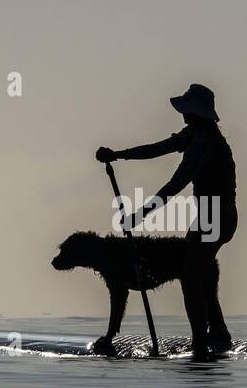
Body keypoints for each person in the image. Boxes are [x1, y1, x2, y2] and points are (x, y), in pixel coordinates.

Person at [96, 83, 238, 360]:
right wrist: (119, 154)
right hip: (217, 215)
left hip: (215, 215)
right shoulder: (195, 134)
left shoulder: (202, 144)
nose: (182, 114)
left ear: (194, 113)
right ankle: (218, 332)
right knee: (200, 275)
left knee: (191, 278)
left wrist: (140, 216)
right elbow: (158, 149)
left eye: (186, 109)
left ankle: (200, 343)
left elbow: (175, 185)